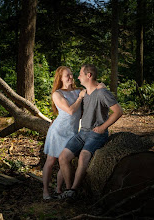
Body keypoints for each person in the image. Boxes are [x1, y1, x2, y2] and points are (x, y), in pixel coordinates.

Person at [58, 64, 123, 199]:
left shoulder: (103, 93)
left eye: (80, 74)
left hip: (96, 134)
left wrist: (103, 127)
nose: (78, 77)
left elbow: (118, 111)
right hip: (82, 133)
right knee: (63, 157)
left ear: (89, 75)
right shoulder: (84, 94)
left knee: (83, 156)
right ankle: (69, 190)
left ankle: (74, 190)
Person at [42, 66, 105, 200]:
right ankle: (45, 192)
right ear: (60, 78)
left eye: (71, 74)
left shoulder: (78, 91)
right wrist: (79, 98)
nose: (71, 77)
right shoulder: (58, 93)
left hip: (72, 131)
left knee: (65, 160)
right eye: (67, 76)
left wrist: (102, 86)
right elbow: (70, 111)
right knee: (51, 161)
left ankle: (60, 189)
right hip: (58, 131)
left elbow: (93, 90)